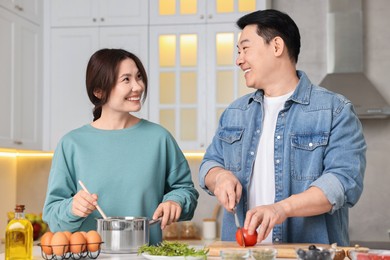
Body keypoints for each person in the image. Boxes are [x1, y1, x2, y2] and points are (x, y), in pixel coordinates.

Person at [199, 9, 366, 246]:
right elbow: (208, 164)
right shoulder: (235, 113)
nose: (238, 60)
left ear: (277, 46)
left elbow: (342, 182)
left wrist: (282, 209)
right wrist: (220, 176)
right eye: (238, 52)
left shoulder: (335, 110)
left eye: (245, 49)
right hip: (243, 253)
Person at [43, 48, 199, 245]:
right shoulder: (72, 144)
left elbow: (185, 190)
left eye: (139, 77)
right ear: (99, 91)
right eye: (126, 79)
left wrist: (175, 201)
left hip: (146, 257)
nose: (138, 86)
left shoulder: (159, 138)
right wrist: (72, 208)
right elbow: (52, 216)